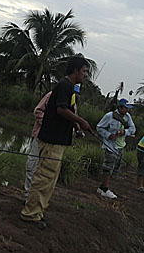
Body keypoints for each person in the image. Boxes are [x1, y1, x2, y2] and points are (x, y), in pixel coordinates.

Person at [20, 55, 92, 227]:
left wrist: (76, 125)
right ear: (75, 70)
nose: (84, 75)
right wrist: (81, 121)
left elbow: (66, 112)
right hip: (52, 140)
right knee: (43, 177)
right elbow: (61, 110)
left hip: (58, 141)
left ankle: (38, 211)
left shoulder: (69, 89)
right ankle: (30, 213)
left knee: (49, 179)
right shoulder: (64, 86)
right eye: (83, 71)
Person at [95, 98, 136, 199]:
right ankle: (105, 189)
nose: (127, 110)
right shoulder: (109, 116)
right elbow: (99, 127)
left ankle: (102, 187)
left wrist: (124, 132)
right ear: (120, 107)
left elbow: (132, 129)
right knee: (108, 168)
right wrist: (108, 135)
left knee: (115, 169)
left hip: (121, 146)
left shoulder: (127, 117)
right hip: (111, 146)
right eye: (125, 108)